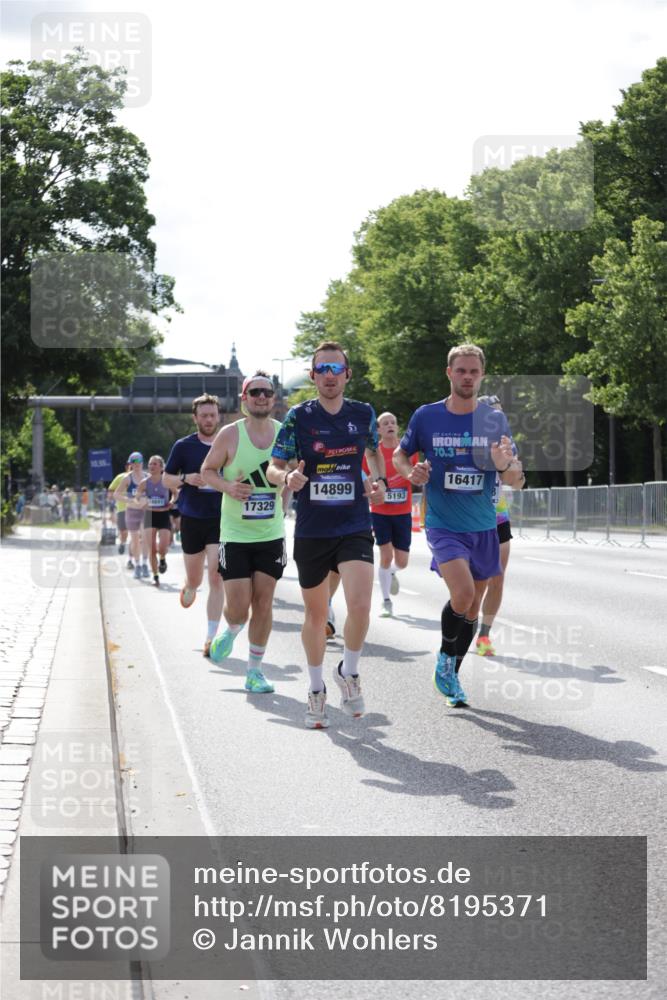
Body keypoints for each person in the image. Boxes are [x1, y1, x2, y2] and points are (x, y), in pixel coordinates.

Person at [393, 343, 523, 708]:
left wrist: (504, 465)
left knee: (472, 606)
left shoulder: (494, 421)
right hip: (443, 523)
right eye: (461, 370)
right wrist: (411, 472)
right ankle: (444, 659)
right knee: (463, 595)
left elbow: (516, 479)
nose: (467, 377)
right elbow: (401, 455)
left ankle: (452, 671)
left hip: (483, 526)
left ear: (481, 376)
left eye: (473, 371)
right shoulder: (427, 416)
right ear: (449, 373)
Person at [267, 341, 386, 730]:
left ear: (347, 374)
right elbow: (273, 466)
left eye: (337, 369)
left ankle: (348, 672)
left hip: (354, 524)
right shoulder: (299, 417)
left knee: (361, 606)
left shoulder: (363, 413)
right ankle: (316, 688)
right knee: (316, 615)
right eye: (323, 369)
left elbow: (374, 452)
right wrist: (287, 477)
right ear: (313, 375)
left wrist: (380, 481)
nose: (330, 376)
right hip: (313, 528)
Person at [201, 371, 286, 693]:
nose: (261, 397)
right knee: (239, 609)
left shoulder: (284, 434)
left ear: (273, 399)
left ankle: (254, 671)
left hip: (270, 534)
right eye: (255, 392)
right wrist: (228, 487)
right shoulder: (230, 435)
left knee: (264, 603)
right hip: (235, 535)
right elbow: (207, 471)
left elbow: (292, 470)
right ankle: (232, 629)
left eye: (267, 392)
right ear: (244, 399)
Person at [163, 394, 224, 657]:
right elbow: (166, 479)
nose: (209, 420)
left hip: (220, 518)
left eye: (212, 415)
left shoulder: (228, 443)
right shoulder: (183, 446)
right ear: (195, 418)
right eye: (204, 416)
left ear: (218, 416)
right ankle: (189, 586)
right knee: (197, 579)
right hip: (192, 518)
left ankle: (211, 637)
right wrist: (186, 478)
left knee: (216, 577)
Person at [475, 395, 525, 656]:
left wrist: (516, 471)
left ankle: (484, 635)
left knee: (497, 579)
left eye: (501, 413)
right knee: (474, 584)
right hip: (469, 519)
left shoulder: (507, 444)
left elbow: (516, 484)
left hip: (498, 517)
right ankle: (464, 624)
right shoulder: (468, 440)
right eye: (494, 413)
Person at [363, 411, 419, 617]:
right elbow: (364, 476)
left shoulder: (407, 451)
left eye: (393, 422)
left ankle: (392, 572)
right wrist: (373, 486)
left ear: (397, 427)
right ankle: (386, 601)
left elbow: (414, 474)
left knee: (402, 562)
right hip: (380, 511)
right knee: (385, 555)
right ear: (378, 430)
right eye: (385, 423)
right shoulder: (372, 452)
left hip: (402, 512)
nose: (390, 425)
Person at [136, 455, 174, 586]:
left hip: (163, 515)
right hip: (149, 516)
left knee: (163, 547)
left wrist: (171, 502)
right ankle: (155, 576)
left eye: (155, 464)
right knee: (152, 548)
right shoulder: (144, 482)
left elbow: (176, 493)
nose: (151, 466)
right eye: (150, 464)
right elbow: (137, 497)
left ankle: (162, 558)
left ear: (161, 467)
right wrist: (142, 503)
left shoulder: (166, 481)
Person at [114, 453, 150, 579]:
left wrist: (149, 500)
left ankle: (145, 564)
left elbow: (156, 492)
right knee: (134, 540)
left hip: (146, 511)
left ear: (142, 463)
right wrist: (129, 500)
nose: (136, 464)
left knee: (145, 538)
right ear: (130, 464)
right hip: (132, 512)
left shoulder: (148, 477)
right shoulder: (127, 478)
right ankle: (137, 565)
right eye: (133, 462)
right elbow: (116, 494)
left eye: (138, 462)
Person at [108, 463, 132, 563]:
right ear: (127, 467)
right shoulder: (121, 477)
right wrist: (111, 502)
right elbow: (111, 490)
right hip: (122, 508)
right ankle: (122, 543)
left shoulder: (143, 477)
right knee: (124, 532)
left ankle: (131, 559)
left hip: (137, 510)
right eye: (131, 465)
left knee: (135, 535)